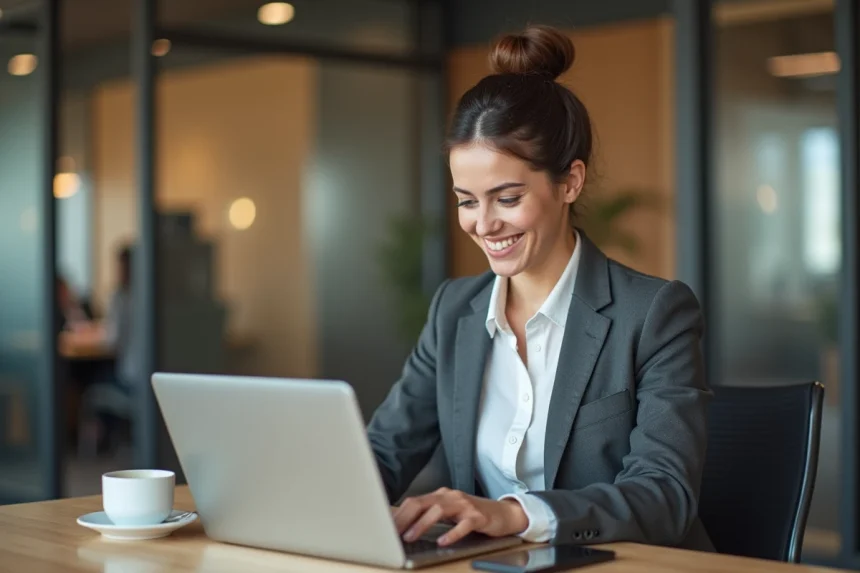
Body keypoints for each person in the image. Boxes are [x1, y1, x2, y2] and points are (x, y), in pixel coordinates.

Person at [366, 25, 713, 551]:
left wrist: (514, 515)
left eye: (506, 198)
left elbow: (664, 495)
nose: (483, 224)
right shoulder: (453, 311)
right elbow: (385, 453)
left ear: (569, 183)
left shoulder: (654, 314)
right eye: (466, 200)